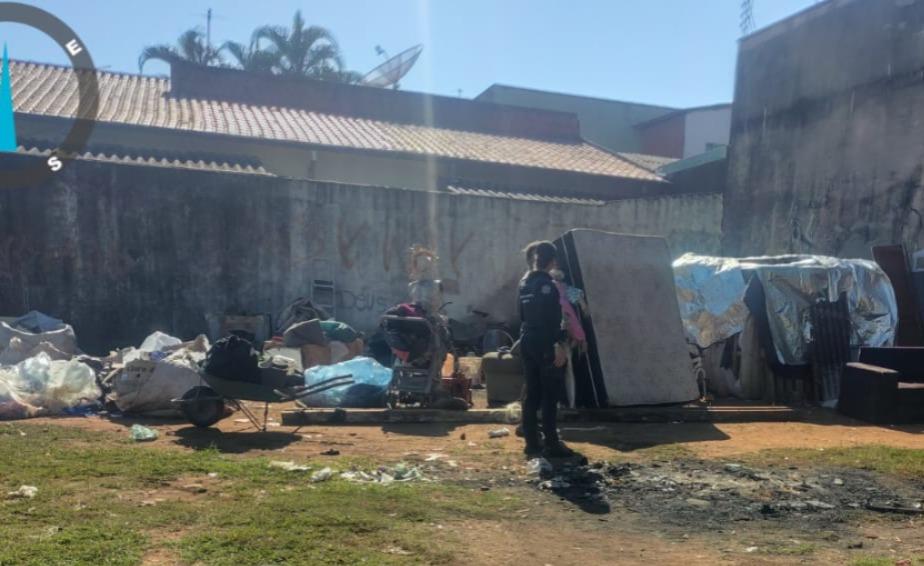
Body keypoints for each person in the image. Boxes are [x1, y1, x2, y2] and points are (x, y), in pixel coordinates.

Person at [517, 240, 574, 458]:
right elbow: (551, 318)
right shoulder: (547, 285)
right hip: (545, 341)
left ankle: (532, 443)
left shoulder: (524, 284)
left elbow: (521, 315)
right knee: (550, 394)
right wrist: (557, 343)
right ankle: (552, 443)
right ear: (552, 261)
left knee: (532, 393)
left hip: (527, 339)